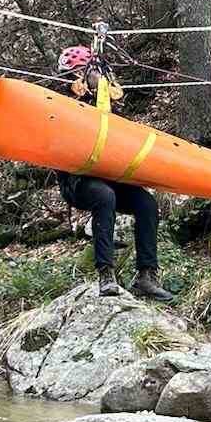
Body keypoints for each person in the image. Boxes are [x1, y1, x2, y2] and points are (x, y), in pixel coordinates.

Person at [54, 46, 173, 301]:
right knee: (104, 197)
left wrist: (101, 91)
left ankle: (146, 275)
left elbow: (114, 129)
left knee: (146, 204)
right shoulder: (61, 103)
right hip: (77, 180)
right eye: (74, 74)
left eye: (82, 73)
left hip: (108, 174)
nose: (79, 79)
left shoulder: (102, 99)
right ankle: (106, 274)